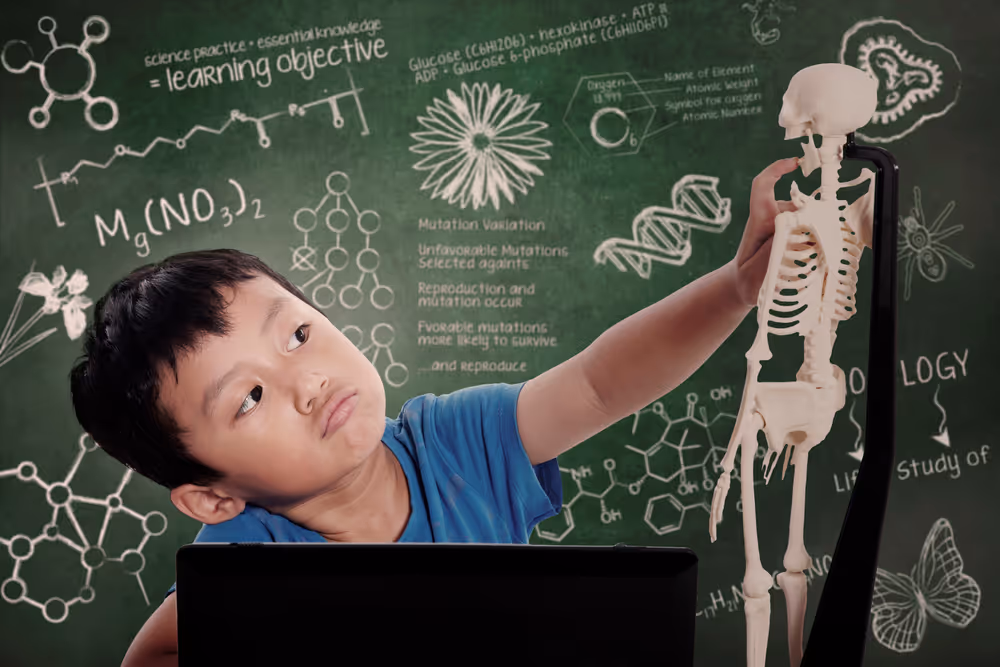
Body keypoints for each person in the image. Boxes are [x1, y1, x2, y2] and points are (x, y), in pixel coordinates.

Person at [69, 158, 799, 666]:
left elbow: (600, 384)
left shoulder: (457, 442)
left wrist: (738, 287)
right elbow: (151, 656)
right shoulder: (240, 566)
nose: (307, 382)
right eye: (250, 397)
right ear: (212, 496)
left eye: (297, 335)